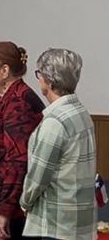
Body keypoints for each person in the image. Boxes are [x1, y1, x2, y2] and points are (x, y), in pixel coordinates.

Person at [0, 41, 45, 240]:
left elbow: (18, 161)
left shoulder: (19, 102)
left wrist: (5, 212)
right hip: (3, 206)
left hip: (13, 214)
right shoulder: (9, 98)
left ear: (5, 70)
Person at [20, 48, 96, 240]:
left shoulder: (55, 122)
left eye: (39, 74)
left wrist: (25, 202)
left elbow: (39, 176)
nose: (38, 80)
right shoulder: (82, 112)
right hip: (81, 219)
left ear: (50, 81)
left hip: (57, 223)